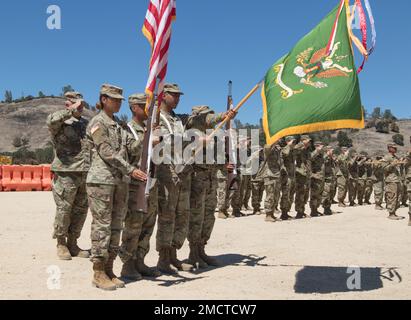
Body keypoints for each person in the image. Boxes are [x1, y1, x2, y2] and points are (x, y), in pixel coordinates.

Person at [86, 84, 147, 291]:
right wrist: (130, 170)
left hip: (119, 181)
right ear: (104, 99)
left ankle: (109, 268)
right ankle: (98, 271)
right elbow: (106, 152)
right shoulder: (98, 122)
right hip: (102, 181)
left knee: (115, 226)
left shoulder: (119, 124)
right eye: (114, 98)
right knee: (102, 226)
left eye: (120, 99)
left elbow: (132, 147)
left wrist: (147, 136)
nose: (119, 102)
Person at [185, 105, 236, 268]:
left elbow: (215, 157)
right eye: (207, 116)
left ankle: (201, 249)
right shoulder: (190, 133)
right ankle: (193, 253)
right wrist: (224, 115)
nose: (210, 119)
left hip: (211, 179)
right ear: (199, 117)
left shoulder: (212, 135)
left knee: (208, 217)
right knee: (196, 218)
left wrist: (224, 165)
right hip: (196, 180)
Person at [119, 93, 161, 280]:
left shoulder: (149, 129)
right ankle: (128, 265)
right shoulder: (126, 129)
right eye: (145, 106)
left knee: (148, 225)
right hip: (134, 185)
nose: (148, 109)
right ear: (135, 108)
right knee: (133, 226)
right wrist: (146, 139)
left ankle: (140, 261)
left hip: (151, 183)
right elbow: (124, 155)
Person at [47, 91, 90, 260]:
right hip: (66, 172)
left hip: (84, 172)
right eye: (76, 103)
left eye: (82, 104)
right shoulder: (59, 122)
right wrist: (70, 111)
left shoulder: (85, 124)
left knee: (80, 210)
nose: (80, 107)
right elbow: (50, 120)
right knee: (64, 209)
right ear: (67, 104)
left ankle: (73, 242)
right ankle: (61, 243)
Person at [155, 83, 194, 274]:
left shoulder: (177, 119)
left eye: (179, 96)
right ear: (163, 96)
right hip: (166, 173)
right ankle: (163, 259)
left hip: (181, 173)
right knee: (167, 216)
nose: (178, 99)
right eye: (174, 95)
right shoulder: (157, 118)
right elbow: (166, 142)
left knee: (182, 215)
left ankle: (173, 255)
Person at [381, 144, 405, 220]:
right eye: (394, 148)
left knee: (399, 196)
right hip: (391, 180)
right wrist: (392, 164)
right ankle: (391, 213)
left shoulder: (396, 157)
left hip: (397, 179)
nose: (395, 148)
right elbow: (384, 169)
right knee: (392, 196)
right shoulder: (387, 157)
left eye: (396, 147)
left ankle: (394, 212)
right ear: (389, 148)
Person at [262, 143, 282, 222]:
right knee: (270, 195)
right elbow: (267, 149)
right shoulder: (268, 146)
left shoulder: (277, 149)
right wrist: (272, 143)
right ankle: (268, 214)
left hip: (276, 175)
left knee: (276, 196)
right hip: (269, 175)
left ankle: (272, 213)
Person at [294, 135, 312, 219]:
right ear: (303, 140)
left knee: (305, 194)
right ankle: (299, 212)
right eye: (308, 141)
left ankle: (302, 210)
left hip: (307, 174)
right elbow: (294, 150)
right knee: (300, 193)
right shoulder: (298, 148)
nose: (309, 143)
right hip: (300, 174)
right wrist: (302, 144)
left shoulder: (307, 150)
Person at [280, 136, 297, 220]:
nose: (294, 143)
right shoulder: (284, 149)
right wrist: (289, 145)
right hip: (286, 176)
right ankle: (283, 213)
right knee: (285, 195)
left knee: (291, 195)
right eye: (292, 141)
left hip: (292, 175)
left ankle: (287, 211)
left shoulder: (293, 150)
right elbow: (285, 154)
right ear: (287, 142)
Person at [310, 141, 325, 217]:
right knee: (314, 195)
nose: (322, 148)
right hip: (315, 177)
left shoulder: (320, 155)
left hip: (321, 177)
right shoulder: (314, 153)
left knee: (319, 195)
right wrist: (317, 150)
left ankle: (316, 209)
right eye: (321, 146)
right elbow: (310, 158)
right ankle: (313, 210)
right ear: (317, 146)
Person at [322, 146, 336, 215]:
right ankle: (325, 209)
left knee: (331, 194)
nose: (332, 152)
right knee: (326, 194)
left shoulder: (331, 158)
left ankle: (328, 208)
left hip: (331, 178)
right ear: (327, 151)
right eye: (331, 150)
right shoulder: (324, 157)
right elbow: (322, 163)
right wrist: (327, 155)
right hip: (326, 179)